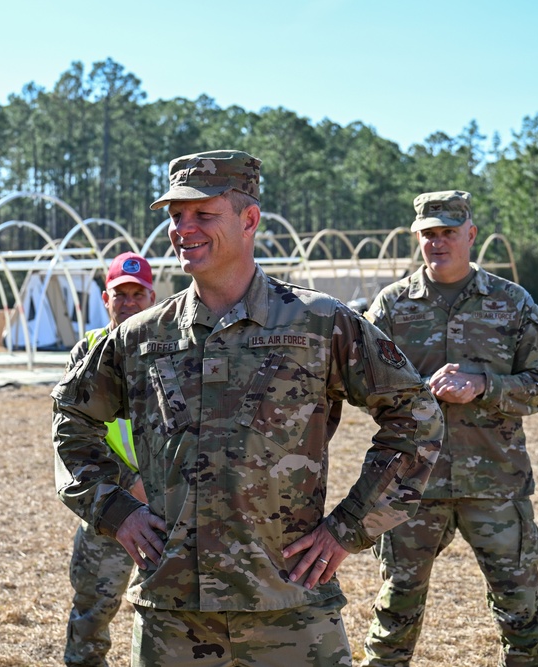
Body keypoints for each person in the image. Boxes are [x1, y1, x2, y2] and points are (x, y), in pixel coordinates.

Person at [51, 149, 445, 666]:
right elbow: (71, 421)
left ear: (249, 219)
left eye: (203, 214)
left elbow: (416, 416)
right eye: (175, 216)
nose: (182, 229)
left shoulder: (318, 323)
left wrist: (348, 527)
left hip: (291, 609)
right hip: (174, 619)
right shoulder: (140, 337)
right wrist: (116, 510)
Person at [360, 190, 538, 667]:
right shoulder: (391, 306)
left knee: (521, 608)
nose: (438, 242)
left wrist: (484, 385)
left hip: (494, 483)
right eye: (429, 234)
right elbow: (364, 385)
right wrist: (421, 390)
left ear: (471, 235)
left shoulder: (511, 303)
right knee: (395, 607)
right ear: (417, 239)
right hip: (413, 484)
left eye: (448, 232)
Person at [65, 251, 156, 667]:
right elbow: (75, 434)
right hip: (109, 510)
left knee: (165, 619)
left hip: (166, 510)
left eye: (139, 294)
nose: (130, 302)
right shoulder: (86, 352)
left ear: (153, 297)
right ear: (106, 299)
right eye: (122, 294)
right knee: (91, 615)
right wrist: (130, 483)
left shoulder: (173, 351)